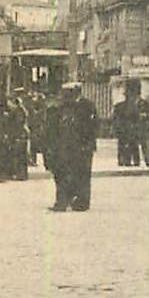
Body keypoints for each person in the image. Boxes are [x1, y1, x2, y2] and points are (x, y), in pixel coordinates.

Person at [48, 82, 98, 211]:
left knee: (83, 174)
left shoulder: (87, 106)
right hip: (66, 147)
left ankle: (82, 201)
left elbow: (93, 128)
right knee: (64, 173)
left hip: (82, 147)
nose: (65, 96)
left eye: (68, 92)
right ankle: (63, 201)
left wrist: (88, 145)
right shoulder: (64, 106)